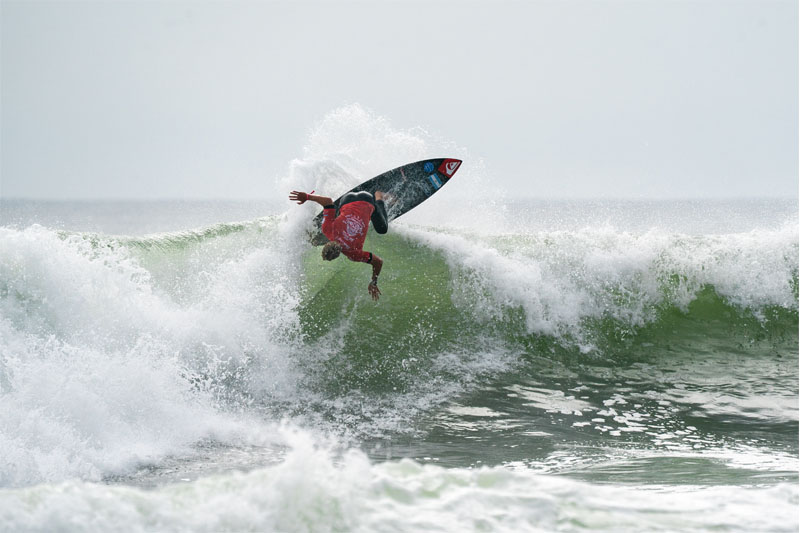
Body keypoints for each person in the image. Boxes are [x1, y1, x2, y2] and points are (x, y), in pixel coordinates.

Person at [289, 189, 388, 301]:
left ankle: (379, 196)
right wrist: (307, 196)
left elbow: (378, 262)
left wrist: (373, 282)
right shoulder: (327, 230)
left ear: (338, 254)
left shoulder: (354, 254)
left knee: (382, 229)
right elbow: (328, 201)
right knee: (332, 212)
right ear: (328, 243)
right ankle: (338, 215)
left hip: (369, 200)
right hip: (347, 199)